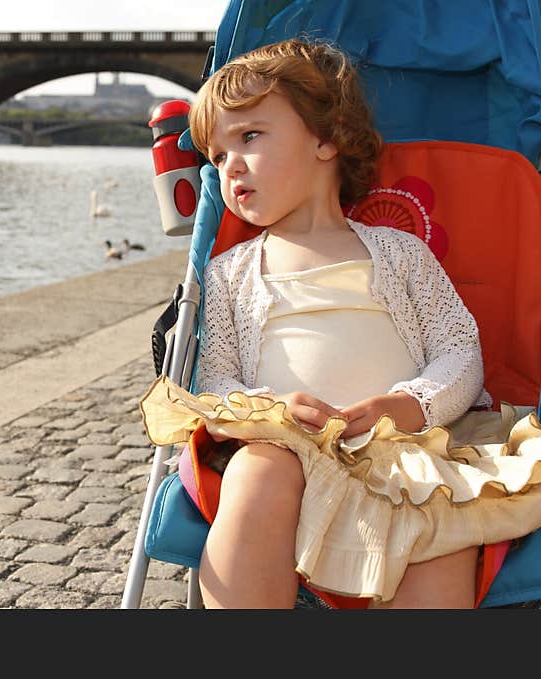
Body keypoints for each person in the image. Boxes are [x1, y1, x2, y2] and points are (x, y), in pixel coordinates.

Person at [139, 37, 541, 609]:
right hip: (286, 452)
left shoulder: (399, 254)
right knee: (257, 471)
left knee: (446, 520)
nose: (231, 167)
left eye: (249, 136)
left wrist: (407, 406)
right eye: (218, 156)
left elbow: (458, 350)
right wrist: (272, 413)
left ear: (325, 139)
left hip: (400, 448)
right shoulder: (230, 272)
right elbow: (217, 381)